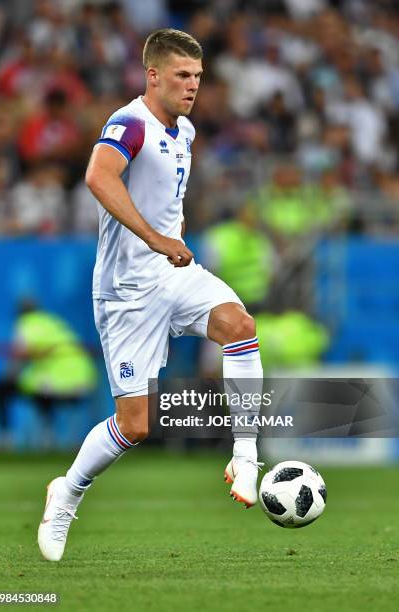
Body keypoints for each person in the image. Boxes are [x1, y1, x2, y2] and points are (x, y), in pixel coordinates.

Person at [38, 29, 264, 562]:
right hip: (126, 291)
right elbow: (98, 175)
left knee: (240, 326)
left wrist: (169, 241)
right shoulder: (129, 122)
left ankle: (246, 455)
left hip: (174, 273)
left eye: (198, 78)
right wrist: (156, 238)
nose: (192, 87)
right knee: (135, 425)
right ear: (153, 74)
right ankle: (67, 492)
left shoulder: (183, 129)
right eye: (182, 76)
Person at [0, 299, 97, 447]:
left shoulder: (26, 323)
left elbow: (20, 355)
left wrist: (9, 375)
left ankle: (6, 437)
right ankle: (48, 435)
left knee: (4, 386)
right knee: (39, 387)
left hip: (55, 382)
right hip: (84, 380)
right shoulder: (53, 322)